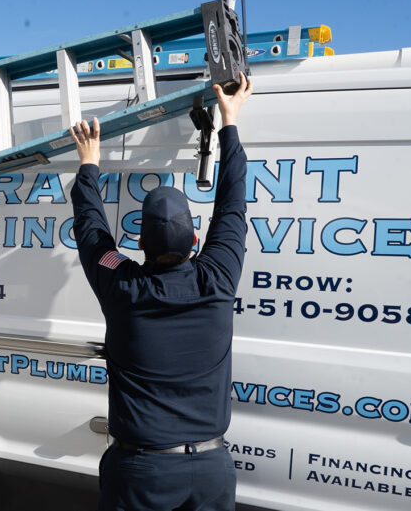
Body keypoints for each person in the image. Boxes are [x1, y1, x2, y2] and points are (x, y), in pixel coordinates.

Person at [69, 73, 253, 511]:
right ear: (194, 241)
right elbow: (233, 203)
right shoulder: (217, 276)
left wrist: (88, 163)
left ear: (139, 245)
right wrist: (229, 121)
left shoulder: (123, 284)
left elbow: (93, 235)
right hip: (211, 470)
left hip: (142, 473)